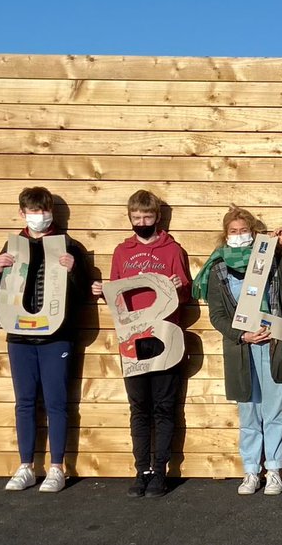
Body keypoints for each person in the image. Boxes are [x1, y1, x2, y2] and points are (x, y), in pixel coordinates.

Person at [195, 206, 282, 496]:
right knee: (249, 412)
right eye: (233, 232)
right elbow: (218, 315)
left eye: (243, 230)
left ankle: (273, 470)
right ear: (225, 235)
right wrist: (241, 335)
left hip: (274, 344)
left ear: (253, 232)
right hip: (242, 350)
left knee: (274, 411)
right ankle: (250, 471)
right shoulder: (217, 268)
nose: (238, 236)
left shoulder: (270, 258)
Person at [90, 190, 190, 499]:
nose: (141, 222)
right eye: (136, 218)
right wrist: (101, 291)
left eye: (147, 217)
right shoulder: (123, 251)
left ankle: (160, 470)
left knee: (163, 406)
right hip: (132, 339)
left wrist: (180, 286)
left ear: (157, 217)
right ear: (130, 217)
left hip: (165, 337)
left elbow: (185, 295)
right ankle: (141, 470)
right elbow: (117, 295)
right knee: (139, 407)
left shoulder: (173, 250)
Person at [0, 187, 89, 493]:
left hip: (56, 336)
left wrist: (75, 272)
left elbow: (83, 291)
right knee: (25, 402)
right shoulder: (13, 245)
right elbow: (2, 291)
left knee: (57, 402)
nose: (39, 216)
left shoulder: (69, 245)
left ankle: (57, 467)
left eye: (43, 210)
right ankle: (26, 466)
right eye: (33, 211)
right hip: (20, 335)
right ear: (22, 213)